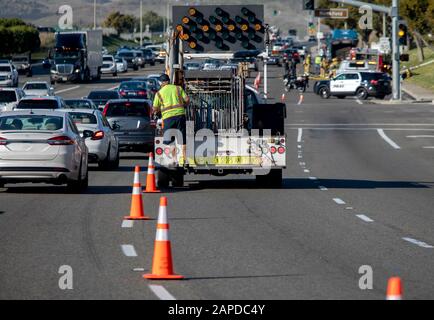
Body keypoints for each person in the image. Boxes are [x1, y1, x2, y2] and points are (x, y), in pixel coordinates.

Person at [153, 74, 190, 165]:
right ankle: (185, 159)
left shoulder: (159, 93)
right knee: (182, 138)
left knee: (170, 140)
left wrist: (158, 111)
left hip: (168, 118)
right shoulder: (178, 88)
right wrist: (184, 106)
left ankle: (174, 160)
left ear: (161, 83)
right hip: (180, 115)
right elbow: (187, 100)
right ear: (169, 81)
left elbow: (154, 108)